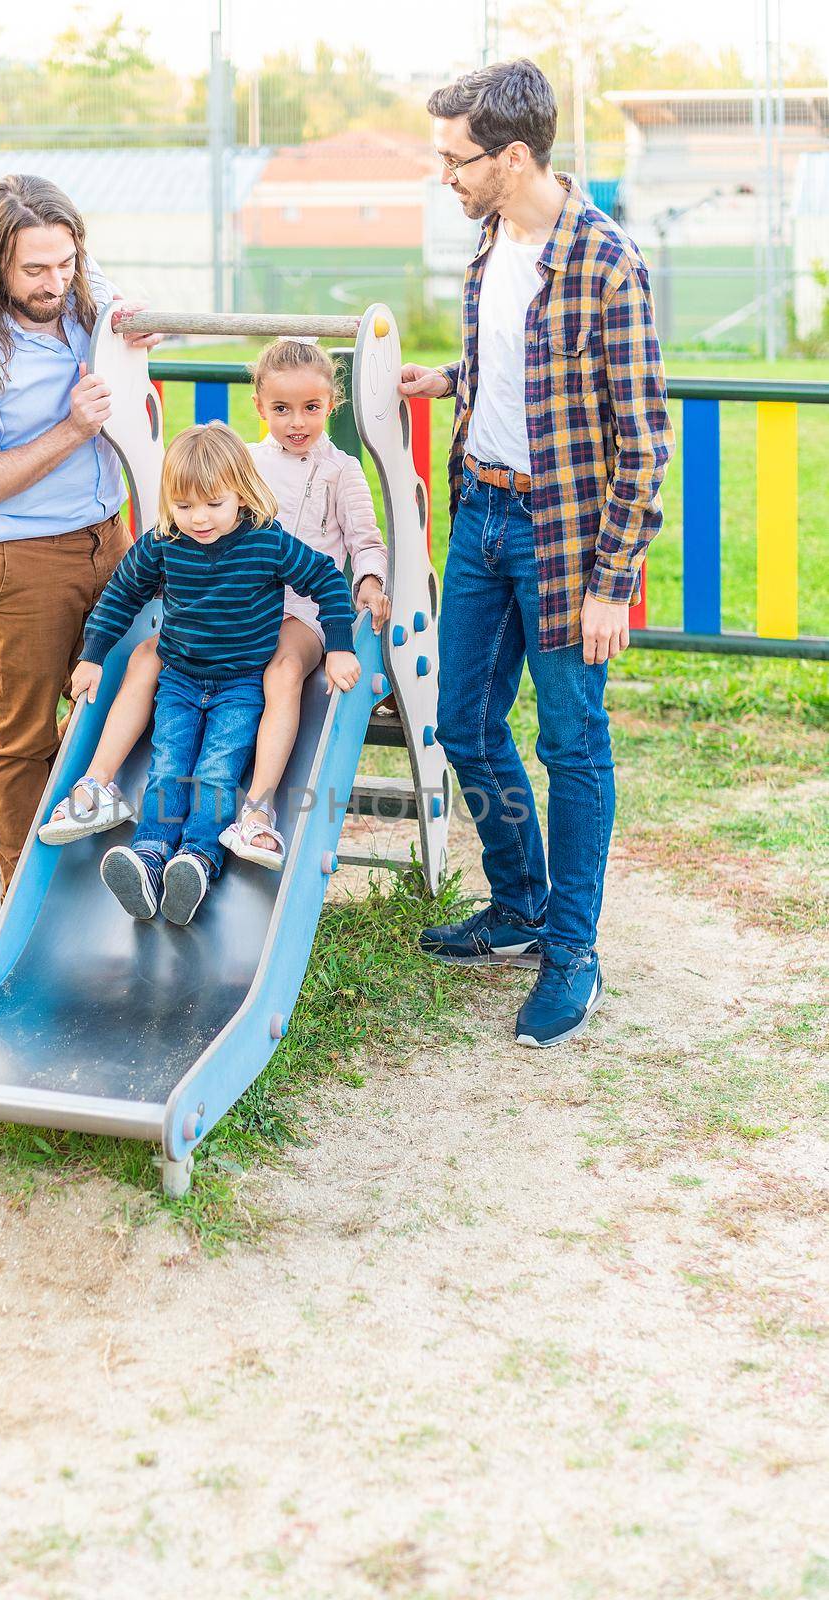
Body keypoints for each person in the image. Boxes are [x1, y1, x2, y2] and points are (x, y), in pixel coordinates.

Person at [401, 60, 673, 1047]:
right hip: (484, 516)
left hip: (567, 539)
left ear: (514, 157)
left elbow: (643, 442)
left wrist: (613, 585)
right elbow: (509, 362)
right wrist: (449, 381)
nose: (445, 175)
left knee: (572, 743)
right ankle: (519, 907)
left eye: (455, 158)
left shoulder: (607, 263)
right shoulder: (491, 240)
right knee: (465, 723)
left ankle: (573, 949)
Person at [0, 173, 162, 941]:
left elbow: (131, 319)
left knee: (137, 697)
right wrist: (72, 430)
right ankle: (20, 911)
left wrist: (142, 333)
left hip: (108, 539)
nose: (57, 283)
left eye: (67, 263)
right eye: (36, 271)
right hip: (18, 559)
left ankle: (120, 866)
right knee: (27, 734)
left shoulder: (80, 291)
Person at [40, 337, 391, 869]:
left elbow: (363, 541)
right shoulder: (235, 462)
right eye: (281, 408)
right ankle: (98, 783)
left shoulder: (341, 471)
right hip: (227, 609)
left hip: (300, 609)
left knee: (281, 670)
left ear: (330, 405)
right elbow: (155, 562)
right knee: (144, 658)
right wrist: (94, 652)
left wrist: (368, 580)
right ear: (259, 407)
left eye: (311, 408)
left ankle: (258, 809)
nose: (296, 421)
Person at [67, 422, 359, 927]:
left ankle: (198, 860)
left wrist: (338, 646)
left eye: (212, 504)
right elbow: (121, 594)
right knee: (167, 765)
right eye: (184, 506)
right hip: (179, 679)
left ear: (241, 494)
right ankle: (150, 854)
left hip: (241, 684)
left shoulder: (267, 543)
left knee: (217, 772)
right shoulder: (164, 543)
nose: (198, 519)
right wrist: (93, 655)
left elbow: (329, 581)